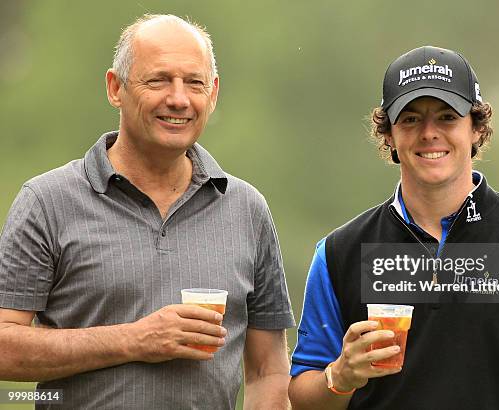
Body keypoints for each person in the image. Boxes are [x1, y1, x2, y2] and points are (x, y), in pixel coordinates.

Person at [288, 46, 499, 409]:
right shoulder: (338, 252)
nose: (429, 133)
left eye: (447, 117)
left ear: (476, 129)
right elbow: (302, 398)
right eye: (410, 119)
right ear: (389, 136)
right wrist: (341, 376)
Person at [0, 14, 294, 409]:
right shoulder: (47, 201)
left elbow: (267, 371)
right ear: (115, 88)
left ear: (214, 93)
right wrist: (134, 339)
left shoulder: (246, 209)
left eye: (194, 83)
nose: (178, 98)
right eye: (158, 80)